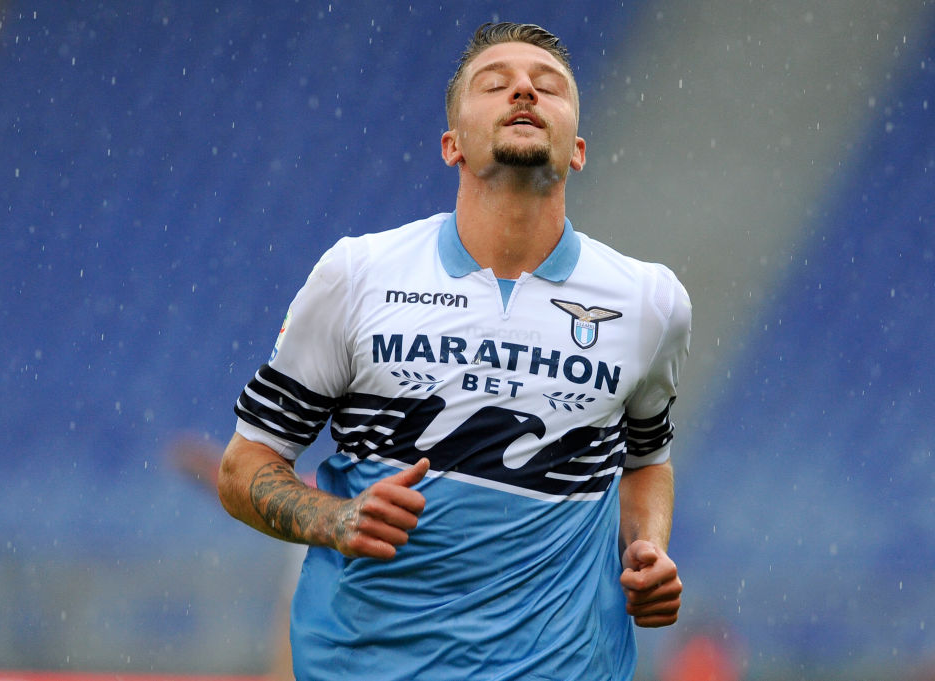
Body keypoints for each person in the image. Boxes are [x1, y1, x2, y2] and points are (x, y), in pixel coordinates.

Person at [217, 21, 691, 681]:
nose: (524, 89)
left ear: (577, 149)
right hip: (371, 666)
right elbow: (244, 466)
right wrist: (335, 517)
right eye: (495, 84)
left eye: (548, 87)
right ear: (451, 145)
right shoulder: (357, 274)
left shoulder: (650, 302)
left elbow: (646, 460)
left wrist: (648, 548)